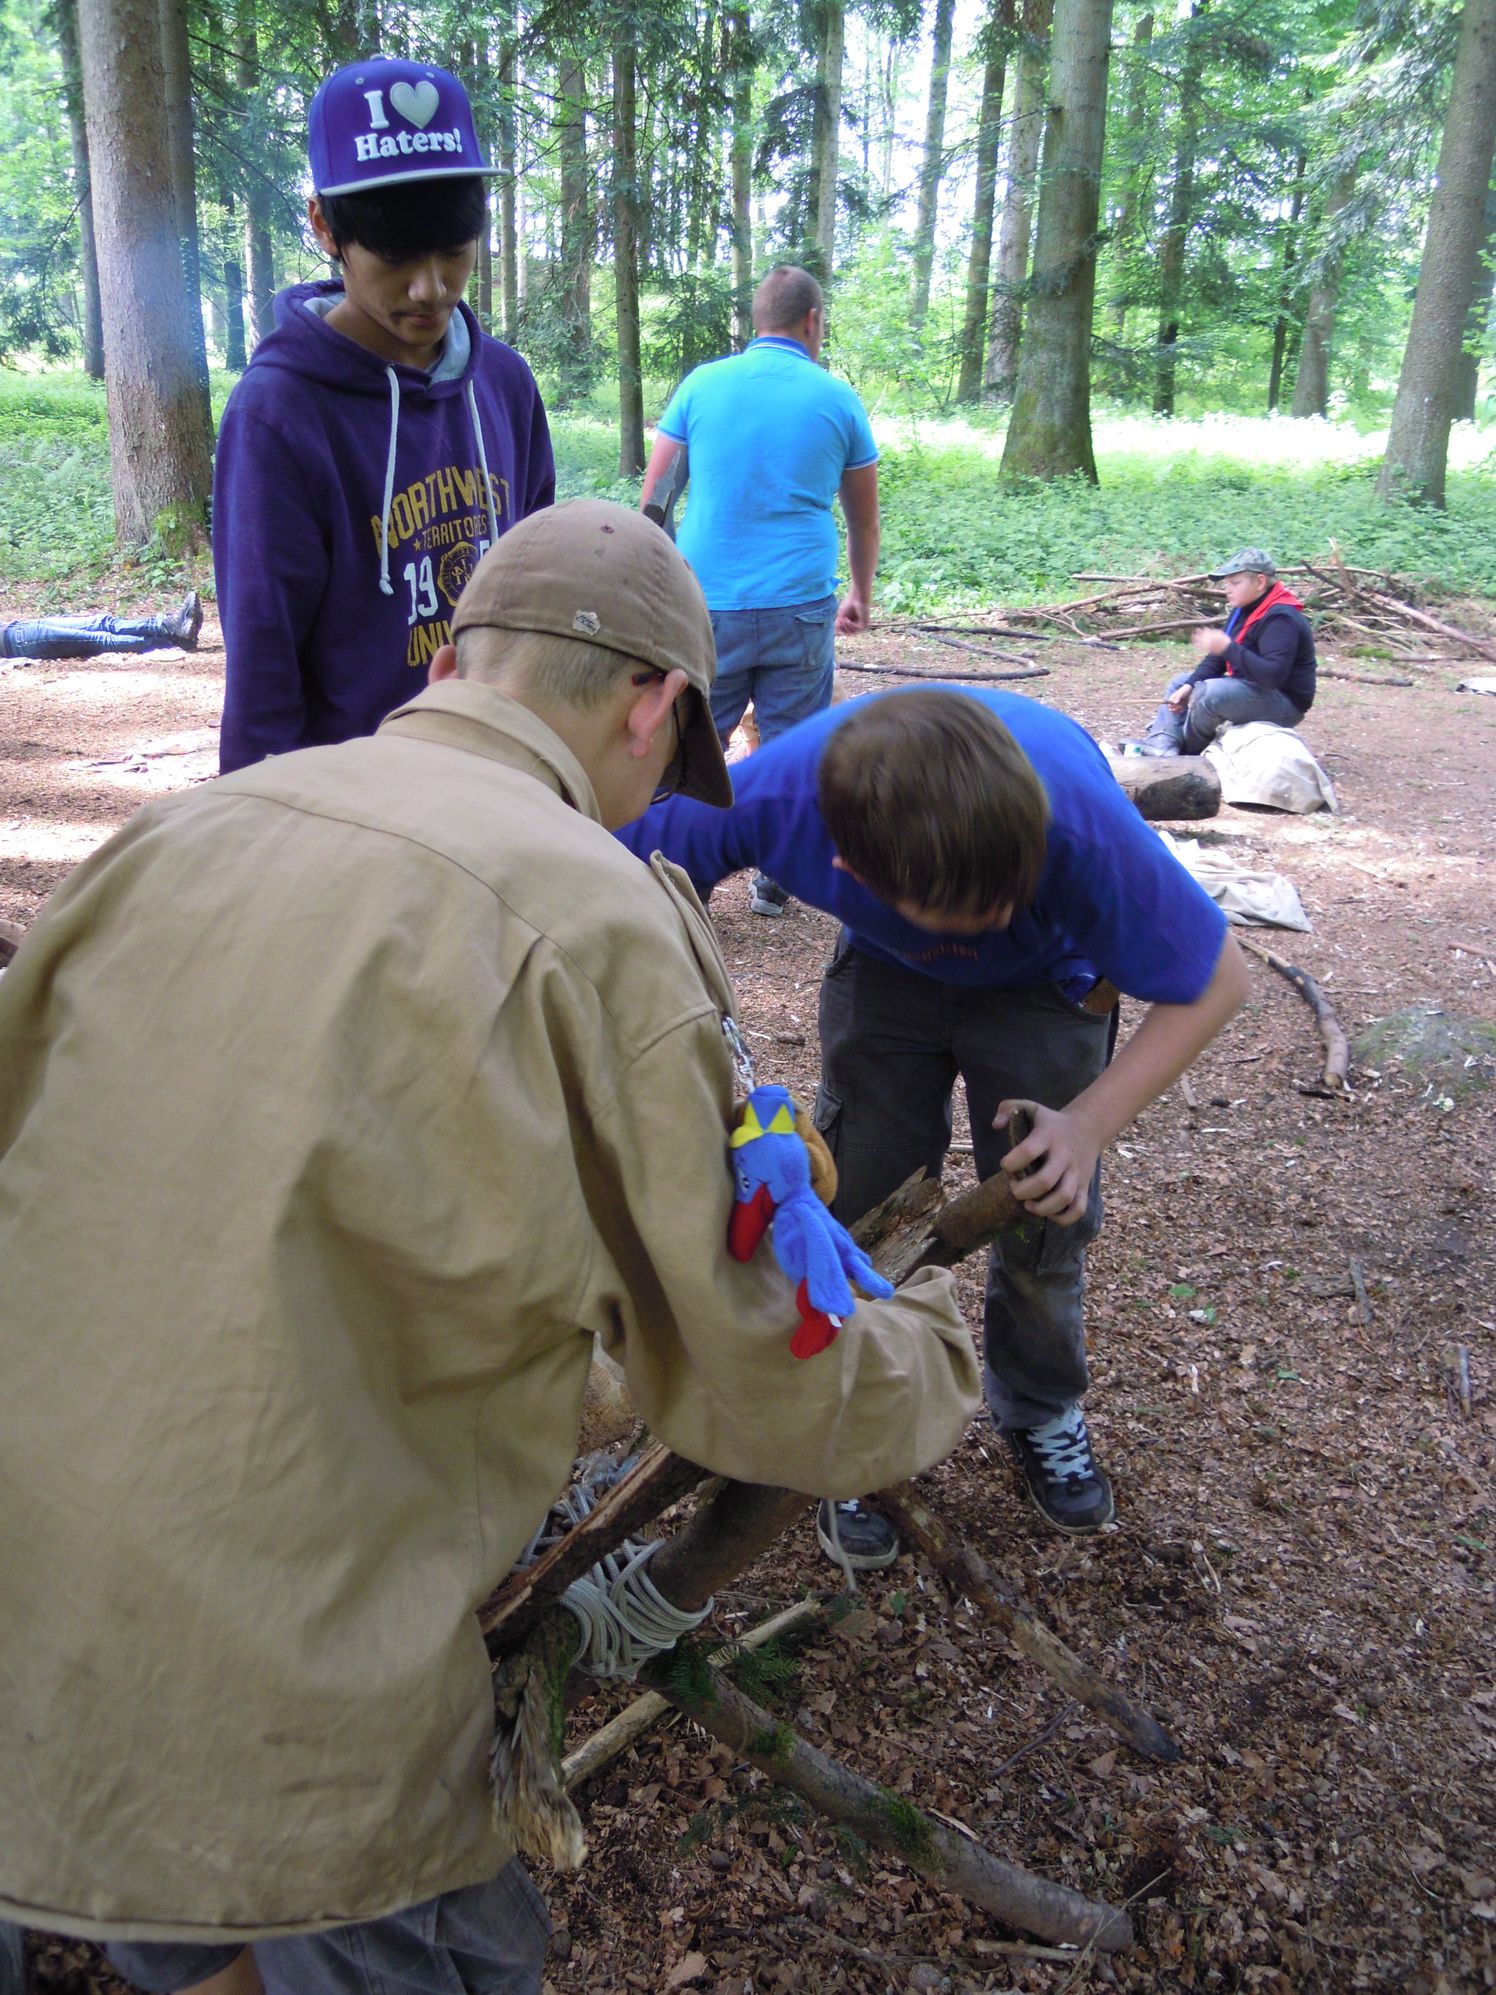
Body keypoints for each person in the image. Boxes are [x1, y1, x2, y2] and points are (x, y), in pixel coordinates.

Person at [0, 502, 979, 1995]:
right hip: (291, 1662)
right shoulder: (596, 921)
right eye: (670, 752)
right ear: (653, 701)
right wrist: (932, 1345)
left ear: (454, 661)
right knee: (414, 1937)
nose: (649, 793)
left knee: (181, 1907)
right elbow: (756, 1363)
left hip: (37, 1581)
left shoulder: (182, 830)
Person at [619, 685, 1250, 1565]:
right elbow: (619, 883)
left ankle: (1040, 1404)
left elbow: (1219, 980)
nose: (982, 934)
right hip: (884, 972)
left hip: (1047, 983)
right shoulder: (775, 796)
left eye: (1005, 903)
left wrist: (1086, 1126)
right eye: (968, 920)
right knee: (857, 1200)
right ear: (849, 869)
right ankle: (856, 1420)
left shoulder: (1076, 823)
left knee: (1044, 1210)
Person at [214, 55, 554, 776]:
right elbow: (264, 670)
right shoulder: (280, 413)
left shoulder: (504, 385)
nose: (431, 288)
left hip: (499, 784)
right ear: (324, 226)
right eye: (395, 255)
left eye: (454, 250)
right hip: (358, 807)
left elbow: (539, 606)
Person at [638, 264, 880, 919]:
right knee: (793, 750)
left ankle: (677, 876)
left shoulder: (701, 385)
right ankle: (777, 880)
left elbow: (657, 500)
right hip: (800, 605)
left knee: (690, 747)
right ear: (812, 322)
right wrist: (860, 592)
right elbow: (863, 519)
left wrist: (656, 586)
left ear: (757, 321)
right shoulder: (838, 399)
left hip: (706, 604)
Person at [1135, 549, 1316, 756]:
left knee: (1210, 694)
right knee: (1180, 683)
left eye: (1235, 583)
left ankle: (1190, 752)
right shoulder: (1243, 609)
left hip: (1284, 703)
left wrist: (1228, 648)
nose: (1227, 590)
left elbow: (1272, 676)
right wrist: (1189, 685)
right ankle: (1163, 742)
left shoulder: (1280, 618)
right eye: (1226, 583)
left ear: (1260, 582)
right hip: (1252, 688)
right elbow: (1217, 660)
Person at [2, 591, 201, 660]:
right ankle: (172, 640)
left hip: (19, 627)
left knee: (101, 622)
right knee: (100, 639)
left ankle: (170, 627)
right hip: (17, 642)